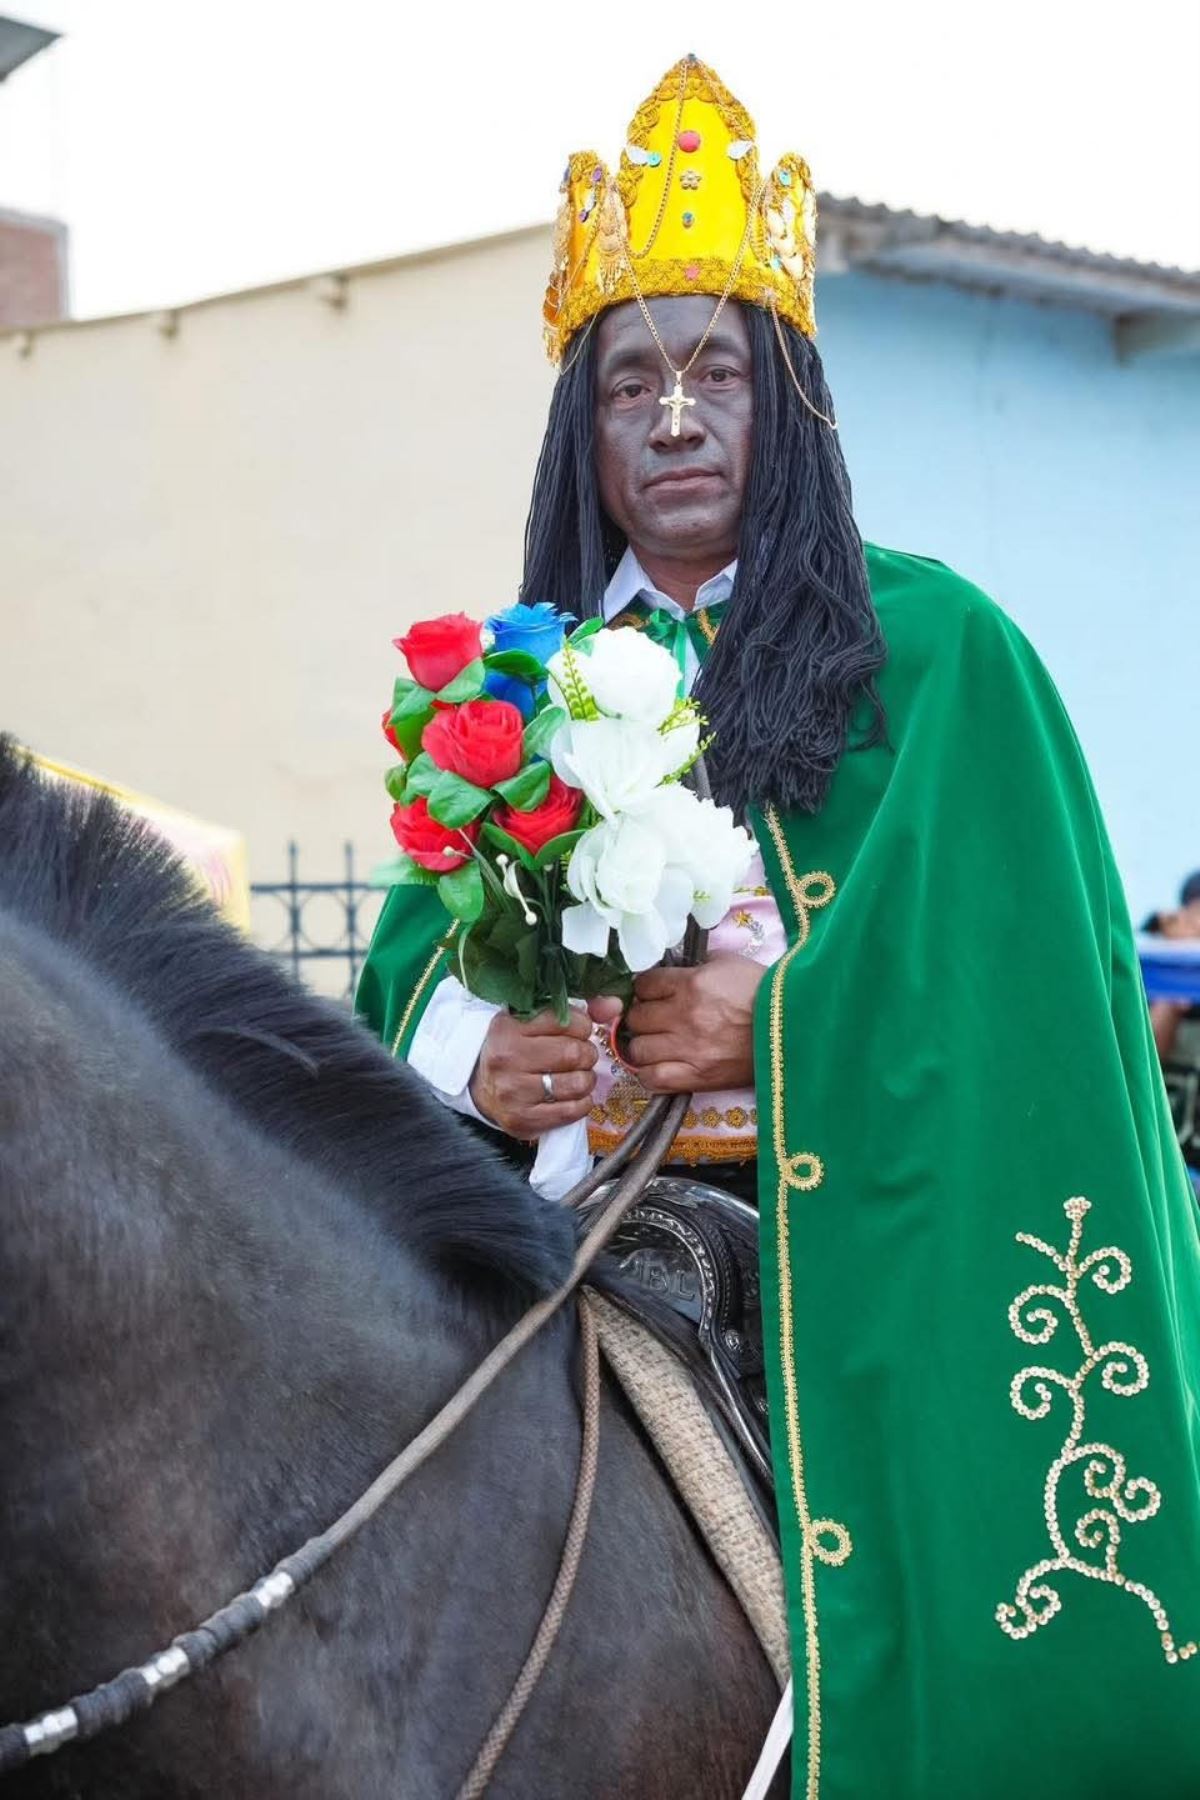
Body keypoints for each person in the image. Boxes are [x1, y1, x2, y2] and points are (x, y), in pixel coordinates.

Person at [358, 56, 1200, 1799]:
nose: (674, 415)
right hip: (575, 1239)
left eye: (716, 372)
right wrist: (483, 1055)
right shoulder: (511, 689)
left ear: (786, 402)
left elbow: (1041, 999)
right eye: (629, 384)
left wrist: (781, 1023)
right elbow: (403, 970)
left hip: (869, 1261)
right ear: (582, 434)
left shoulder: (945, 657)